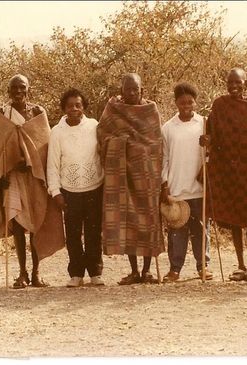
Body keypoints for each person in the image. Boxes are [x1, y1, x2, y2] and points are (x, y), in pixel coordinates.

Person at [0, 74, 65, 288]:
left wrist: (32, 163)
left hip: (35, 177)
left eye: (22, 87)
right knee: (17, 223)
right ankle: (22, 273)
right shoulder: (2, 115)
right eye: (14, 88)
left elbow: (43, 146)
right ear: (8, 91)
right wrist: (2, 176)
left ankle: (36, 273)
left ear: (29, 89)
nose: (18, 92)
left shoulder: (38, 113)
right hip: (13, 178)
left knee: (36, 220)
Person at [97, 73, 164, 285]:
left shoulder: (150, 111)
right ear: (122, 91)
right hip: (122, 173)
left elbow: (156, 143)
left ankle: (147, 271)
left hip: (146, 174)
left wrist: (137, 150)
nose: (132, 93)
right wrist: (120, 144)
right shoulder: (113, 109)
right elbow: (102, 135)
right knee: (128, 222)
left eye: (136, 90)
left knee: (147, 221)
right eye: (128, 90)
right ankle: (134, 271)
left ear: (142, 90)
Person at [200, 68, 247, 282]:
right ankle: (240, 265)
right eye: (230, 82)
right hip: (230, 168)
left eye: (238, 82)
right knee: (236, 218)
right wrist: (207, 139)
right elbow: (211, 130)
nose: (234, 86)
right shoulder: (220, 105)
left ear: (246, 84)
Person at [47, 89, 104, 287]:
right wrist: (56, 192)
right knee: (72, 234)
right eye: (70, 105)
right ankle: (76, 273)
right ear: (64, 108)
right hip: (69, 191)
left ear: (83, 107)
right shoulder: (57, 132)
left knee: (93, 233)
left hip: (94, 188)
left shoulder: (94, 126)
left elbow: (102, 154)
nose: (74, 109)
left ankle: (95, 272)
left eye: (78, 105)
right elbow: (52, 164)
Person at [161, 82, 212, 282]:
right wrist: (164, 184)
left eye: (190, 102)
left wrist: (209, 145)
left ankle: (203, 267)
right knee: (177, 231)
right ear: (176, 103)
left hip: (199, 188)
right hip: (177, 188)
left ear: (195, 102)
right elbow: (164, 158)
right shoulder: (168, 128)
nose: (186, 106)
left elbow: (210, 156)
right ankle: (175, 269)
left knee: (201, 229)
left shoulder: (204, 123)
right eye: (182, 103)